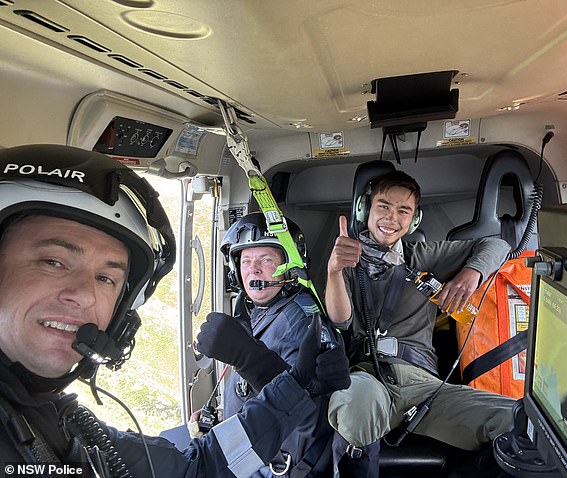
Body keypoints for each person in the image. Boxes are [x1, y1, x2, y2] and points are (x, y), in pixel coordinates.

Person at [0, 144, 350, 477]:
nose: (83, 295)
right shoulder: (251, 315)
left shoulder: (299, 320)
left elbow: (301, 435)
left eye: (106, 277)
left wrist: (269, 371)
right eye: (53, 262)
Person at [325, 169, 516, 477]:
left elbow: (498, 245)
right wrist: (334, 272)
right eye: (384, 206)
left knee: (517, 420)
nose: (392, 217)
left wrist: (471, 274)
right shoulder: (346, 257)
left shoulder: (424, 256)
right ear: (365, 209)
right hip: (370, 378)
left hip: (426, 388)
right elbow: (340, 320)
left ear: (414, 220)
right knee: (356, 405)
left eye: (404, 211)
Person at [195, 212, 340, 477]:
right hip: (253, 449)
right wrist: (219, 414)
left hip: (279, 466)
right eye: (246, 260)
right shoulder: (260, 311)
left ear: (290, 266)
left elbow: (310, 418)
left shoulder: (301, 320)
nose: (254, 269)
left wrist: (247, 357)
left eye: (267, 259)